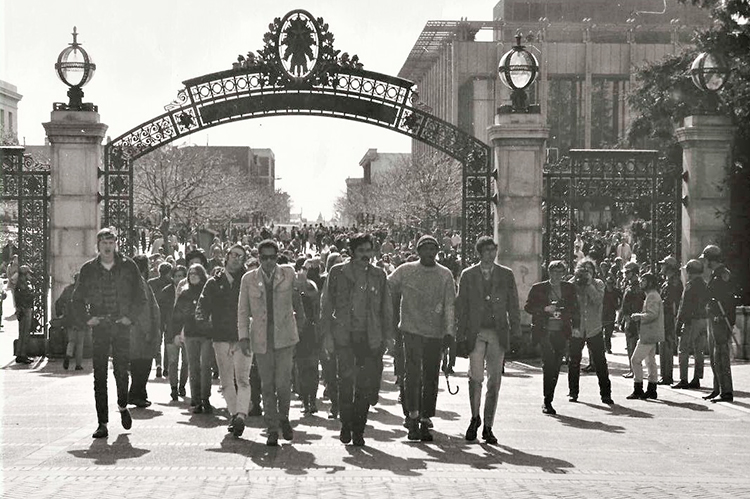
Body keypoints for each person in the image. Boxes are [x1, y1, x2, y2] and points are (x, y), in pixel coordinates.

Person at [70, 228, 147, 439]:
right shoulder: (89, 269)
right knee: (99, 375)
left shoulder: (129, 266)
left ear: (116, 244)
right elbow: (76, 300)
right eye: (103, 241)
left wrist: (130, 317)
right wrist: (87, 319)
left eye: (111, 241)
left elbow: (141, 297)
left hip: (121, 325)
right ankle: (102, 422)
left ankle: (122, 405)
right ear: (98, 245)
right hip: (101, 326)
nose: (107, 245)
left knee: (122, 371)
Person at [320, 233, 393, 446]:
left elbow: (385, 307)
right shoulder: (337, 272)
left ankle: (359, 430)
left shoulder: (378, 275)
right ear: (352, 252)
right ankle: (346, 424)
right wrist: (326, 336)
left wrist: (388, 336)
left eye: (368, 251)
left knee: (364, 384)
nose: (365, 256)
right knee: (345, 382)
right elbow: (327, 306)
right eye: (361, 251)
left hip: (369, 337)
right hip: (344, 335)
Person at [388, 235, 456, 442]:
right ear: (418, 252)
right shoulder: (406, 270)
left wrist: (449, 332)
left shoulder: (445, 275)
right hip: (411, 330)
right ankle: (413, 415)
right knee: (412, 374)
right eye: (424, 249)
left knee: (431, 377)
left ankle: (426, 417)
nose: (429, 253)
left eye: (432, 249)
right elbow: (386, 287)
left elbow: (450, 305)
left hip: (435, 333)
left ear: (437, 251)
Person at [456, 236, 520, 444]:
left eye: (493, 250)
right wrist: (460, 334)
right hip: (476, 332)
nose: (490, 254)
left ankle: (489, 426)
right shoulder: (468, 275)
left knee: (495, 381)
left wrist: (516, 332)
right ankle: (475, 417)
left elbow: (513, 304)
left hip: (497, 332)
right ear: (479, 252)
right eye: (486, 251)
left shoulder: (505, 274)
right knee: (475, 378)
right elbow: (461, 307)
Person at [237, 239, 301, 446]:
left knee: (283, 383)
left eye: (272, 257)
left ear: (278, 257)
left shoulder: (288, 273)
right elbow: (243, 310)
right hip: (261, 339)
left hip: (285, 338)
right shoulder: (248, 279)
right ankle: (272, 428)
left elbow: (304, 290)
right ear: (258, 258)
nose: (268, 262)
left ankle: (284, 417)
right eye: (264, 257)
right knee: (267, 385)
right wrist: (243, 337)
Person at [195, 244, 250, 436]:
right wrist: (206, 327)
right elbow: (201, 307)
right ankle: (235, 415)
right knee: (226, 381)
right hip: (220, 337)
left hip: (243, 337)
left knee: (243, 379)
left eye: (241, 256)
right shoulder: (213, 282)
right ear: (226, 256)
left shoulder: (247, 281)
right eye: (234, 255)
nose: (237, 259)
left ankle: (241, 415)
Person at [525, 261, 579, 415]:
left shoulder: (569, 288)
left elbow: (576, 309)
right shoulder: (538, 288)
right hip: (544, 332)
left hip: (562, 332)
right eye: (554, 272)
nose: (557, 275)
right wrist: (544, 309)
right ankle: (547, 401)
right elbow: (528, 307)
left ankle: (549, 396)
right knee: (548, 365)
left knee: (555, 367)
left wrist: (576, 327)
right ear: (549, 272)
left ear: (564, 274)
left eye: (560, 272)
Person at [172, 263, 212, 413]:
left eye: (196, 273)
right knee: (193, 367)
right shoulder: (184, 293)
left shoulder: (208, 291)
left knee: (205, 367)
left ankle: (205, 398)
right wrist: (176, 333)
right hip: (190, 334)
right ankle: (196, 400)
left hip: (207, 335)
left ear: (202, 275)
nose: (193, 276)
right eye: (191, 273)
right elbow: (177, 315)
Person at [701, 245, 736, 403]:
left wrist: (723, 316)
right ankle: (718, 389)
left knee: (721, 355)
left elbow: (726, 299)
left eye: (706, 259)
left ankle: (726, 391)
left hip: (720, 319)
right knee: (715, 356)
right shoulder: (716, 274)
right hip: (714, 318)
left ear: (710, 258)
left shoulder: (722, 275)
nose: (705, 262)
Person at [128, 255, 161, 408]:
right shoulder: (139, 283)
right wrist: (148, 330)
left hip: (136, 331)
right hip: (141, 332)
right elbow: (143, 310)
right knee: (142, 363)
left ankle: (138, 393)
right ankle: (137, 393)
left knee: (138, 363)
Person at [626, 273, 664, 400]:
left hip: (648, 333)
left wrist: (638, 316)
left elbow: (652, 314)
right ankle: (652, 389)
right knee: (650, 361)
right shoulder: (652, 295)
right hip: (651, 333)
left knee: (635, 360)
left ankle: (638, 388)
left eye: (644, 280)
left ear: (650, 282)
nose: (641, 282)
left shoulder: (652, 296)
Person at [672, 259, 708, 390]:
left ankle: (683, 379)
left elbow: (684, 306)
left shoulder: (690, 285)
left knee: (683, 349)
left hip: (691, 321)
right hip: (703, 320)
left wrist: (679, 323)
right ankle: (697, 378)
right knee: (699, 351)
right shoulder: (705, 284)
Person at [294, 258, 322, 416]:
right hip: (298, 331)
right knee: (302, 368)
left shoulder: (311, 286)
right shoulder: (291, 287)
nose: (303, 272)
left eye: (305, 270)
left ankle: (312, 400)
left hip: (311, 330)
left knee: (312, 367)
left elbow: (313, 296)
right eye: (301, 269)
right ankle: (306, 400)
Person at [159, 265, 188, 399]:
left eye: (181, 276)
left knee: (186, 361)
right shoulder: (166, 292)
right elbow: (162, 311)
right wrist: (163, 326)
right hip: (170, 330)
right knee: (172, 361)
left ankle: (182, 385)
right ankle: (174, 387)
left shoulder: (190, 291)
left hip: (187, 330)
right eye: (176, 276)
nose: (178, 278)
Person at [658, 256, 683, 385]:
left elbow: (672, 303)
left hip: (669, 318)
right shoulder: (667, 282)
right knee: (663, 346)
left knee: (667, 345)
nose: (661, 267)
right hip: (665, 317)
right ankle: (664, 374)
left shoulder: (674, 283)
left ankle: (667, 376)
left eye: (663, 265)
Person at [148, 261, 173, 378]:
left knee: (157, 340)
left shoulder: (151, 283)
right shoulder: (171, 283)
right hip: (168, 316)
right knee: (168, 341)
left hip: (155, 315)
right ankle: (166, 367)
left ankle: (158, 364)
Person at [620, 262, 644, 378]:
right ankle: (632, 369)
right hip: (628, 319)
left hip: (633, 320)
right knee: (629, 345)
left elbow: (636, 304)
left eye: (627, 272)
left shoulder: (637, 287)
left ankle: (634, 370)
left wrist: (630, 318)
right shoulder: (628, 285)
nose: (625, 274)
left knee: (632, 345)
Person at [13, 265, 35, 364]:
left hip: (23, 309)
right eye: (28, 273)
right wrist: (32, 292)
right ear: (24, 274)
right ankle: (22, 354)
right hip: (24, 310)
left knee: (23, 333)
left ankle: (21, 353)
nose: (29, 275)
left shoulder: (22, 284)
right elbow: (26, 297)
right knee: (24, 333)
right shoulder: (22, 285)